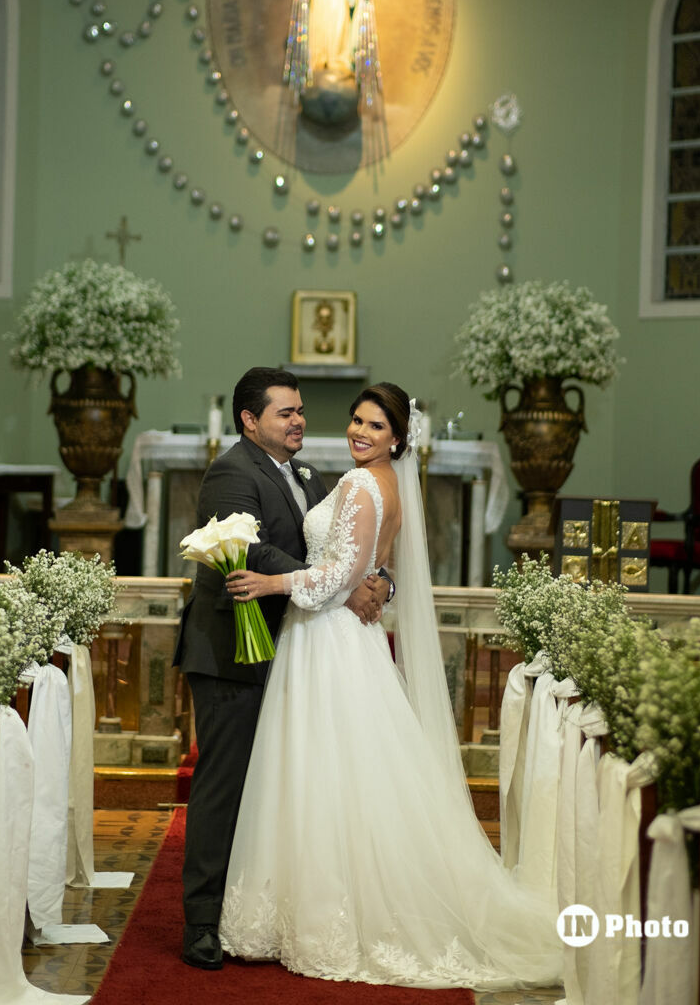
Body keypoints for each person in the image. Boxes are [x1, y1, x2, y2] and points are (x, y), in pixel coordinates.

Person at [221, 384, 563, 990]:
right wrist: (380, 584)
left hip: (326, 638)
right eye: (356, 420)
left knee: (322, 771)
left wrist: (271, 584)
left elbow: (338, 574)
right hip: (343, 636)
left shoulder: (360, 484)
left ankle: (324, 918)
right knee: (343, 771)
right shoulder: (390, 486)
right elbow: (376, 569)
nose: (360, 432)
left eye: (376, 426)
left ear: (398, 438)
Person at [172, 367, 390, 971]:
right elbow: (253, 551)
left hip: (295, 649)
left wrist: (376, 581)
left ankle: (262, 911)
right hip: (232, 648)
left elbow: (346, 549)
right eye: (285, 413)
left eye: (300, 411)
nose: (299, 421)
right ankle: (200, 922)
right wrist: (338, 585)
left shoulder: (309, 474)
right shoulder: (231, 472)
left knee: (275, 785)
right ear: (250, 420)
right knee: (225, 783)